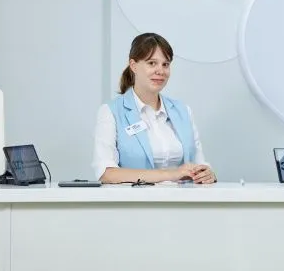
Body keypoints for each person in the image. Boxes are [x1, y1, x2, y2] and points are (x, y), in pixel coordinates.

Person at [92, 33, 216, 184]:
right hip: (134, 199)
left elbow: (199, 163)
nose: (160, 71)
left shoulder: (183, 111)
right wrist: (170, 174)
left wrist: (206, 173)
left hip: (183, 198)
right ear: (133, 66)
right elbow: (107, 174)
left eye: (165, 64)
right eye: (152, 63)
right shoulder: (110, 112)